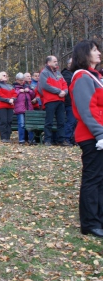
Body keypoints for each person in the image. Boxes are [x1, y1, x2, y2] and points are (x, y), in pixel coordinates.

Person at [69, 40, 103, 238]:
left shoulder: (95, 76)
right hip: (92, 136)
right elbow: (86, 109)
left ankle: (98, 217)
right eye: (94, 50)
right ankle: (90, 223)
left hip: (98, 133)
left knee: (100, 179)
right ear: (84, 54)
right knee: (93, 179)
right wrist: (99, 134)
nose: (98, 52)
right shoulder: (82, 77)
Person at [38, 56, 70, 146]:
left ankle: (61, 140)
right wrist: (59, 91)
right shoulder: (44, 73)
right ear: (48, 63)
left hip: (61, 100)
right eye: (54, 61)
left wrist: (64, 91)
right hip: (50, 101)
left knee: (61, 121)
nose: (56, 63)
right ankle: (47, 140)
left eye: (57, 61)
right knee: (49, 121)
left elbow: (65, 84)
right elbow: (45, 86)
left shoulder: (59, 73)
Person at [0, 72, 16, 143]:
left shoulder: (10, 86)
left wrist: (13, 99)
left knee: (9, 121)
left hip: (10, 106)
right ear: (0, 76)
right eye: (4, 75)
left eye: (6, 75)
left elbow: (14, 94)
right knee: (3, 121)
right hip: (1, 106)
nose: (6, 76)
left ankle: (8, 137)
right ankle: (3, 138)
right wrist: (8, 100)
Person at [13, 73, 35, 145]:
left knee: (30, 124)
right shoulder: (14, 87)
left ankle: (31, 140)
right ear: (16, 80)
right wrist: (19, 91)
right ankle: (21, 140)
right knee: (21, 124)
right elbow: (12, 95)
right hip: (19, 108)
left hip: (28, 108)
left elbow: (33, 94)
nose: (21, 82)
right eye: (20, 80)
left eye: (22, 80)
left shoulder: (27, 86)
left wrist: (28, 90)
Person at [61, 58, 76, 145]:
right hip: (69, 101)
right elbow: (71, 85)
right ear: (68, 64)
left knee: (74, 122)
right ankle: (67, 138)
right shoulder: (66, 74)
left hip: (75, 101)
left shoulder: (74, 73)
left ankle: (73, 139)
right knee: (71, 121)